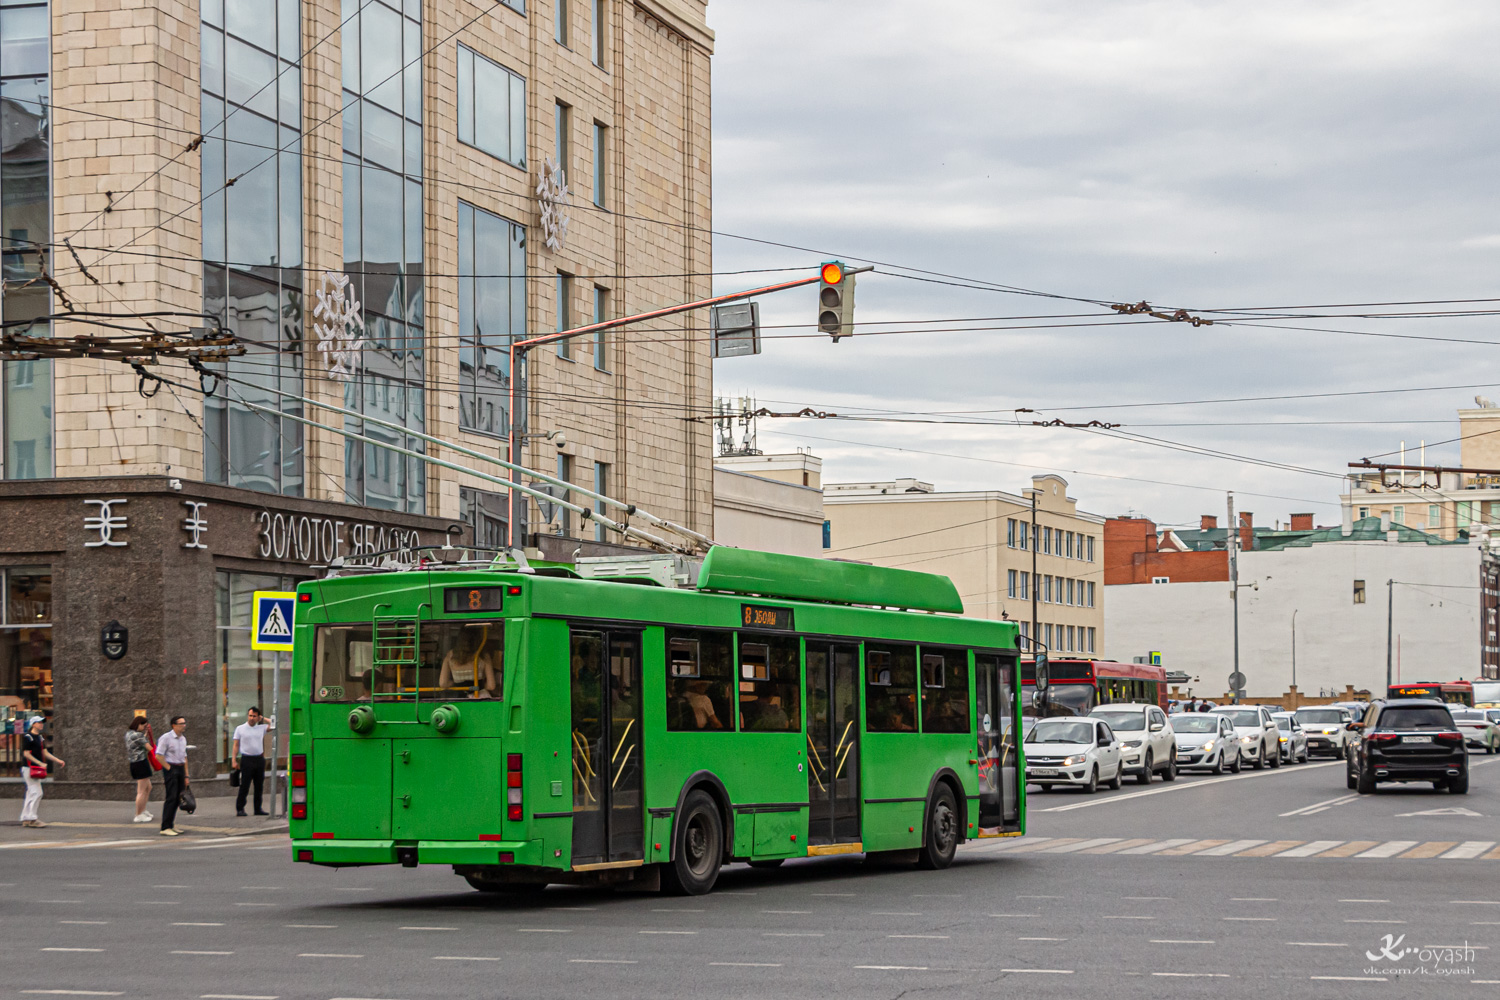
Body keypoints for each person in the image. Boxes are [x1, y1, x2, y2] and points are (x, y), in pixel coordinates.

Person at [19, 715, 64, 828]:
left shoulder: (40, 738)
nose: (41, 724)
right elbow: (26, 754)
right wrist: (40, 763)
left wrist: (58, 760)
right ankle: (32, 818)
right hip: (29, 768)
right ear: (33, 724)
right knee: (37, 793)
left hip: (35, 769)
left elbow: (45, 753)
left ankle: (26, 818)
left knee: (31, 793)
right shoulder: (28, 737)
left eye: (42, 722)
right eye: (39, 722)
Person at [232, 706, 272, 817]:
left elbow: (274, 724)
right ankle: (240, 808)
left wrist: (263, 718)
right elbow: (236, 745)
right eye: (250, 715)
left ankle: (258, 808)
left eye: (254, 716)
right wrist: (234, 760)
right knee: (244, 785)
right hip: (246, 759)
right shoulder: (240, 728)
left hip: (259, 759)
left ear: (258, 717)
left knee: (259, 786)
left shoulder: (261, 728)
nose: (252, 718)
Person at [155, 715, 189, 837]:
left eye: (184, 723)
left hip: (180, 768)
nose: (184, 726)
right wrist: (169, 768)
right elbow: (158, 755)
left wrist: (186, 775)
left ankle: (171, 824)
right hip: (171, 768)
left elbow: (185, 757)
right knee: (171, 797)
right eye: (181, 724)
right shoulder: (166, 738)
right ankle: (165, 826)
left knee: (178, 798)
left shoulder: (183, 739)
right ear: (173, 725)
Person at [438, 630, 497, 698]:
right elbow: (491, 686)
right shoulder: (483, 655)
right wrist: (480, 686)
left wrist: (457, 684)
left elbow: (443, 683)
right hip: (480, 697)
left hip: (460, 697)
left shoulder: (450, 655)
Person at [125, 715, 153, 824]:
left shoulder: (129, 734)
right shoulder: (138, 735)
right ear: (139, 724)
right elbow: (149, 748)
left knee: (148, 787)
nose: (144, 728)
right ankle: (138, 814)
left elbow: (139, 742)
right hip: (140, 763)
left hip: (135, 763)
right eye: (144, 726)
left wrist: (145, 734)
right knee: (141, 791)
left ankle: (143, 810)